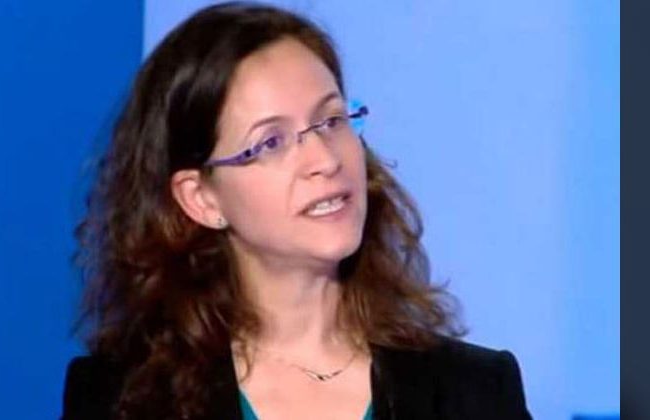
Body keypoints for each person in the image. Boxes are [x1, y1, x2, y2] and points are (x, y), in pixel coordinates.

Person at [61, 2, 532, 419]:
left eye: (331, 120)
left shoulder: (473, 391)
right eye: (271, 142)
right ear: (201, 198)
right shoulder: (119, 398)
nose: (325, 159)